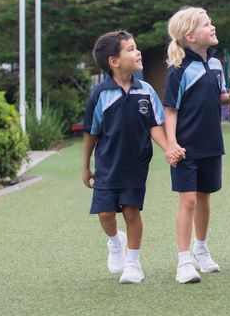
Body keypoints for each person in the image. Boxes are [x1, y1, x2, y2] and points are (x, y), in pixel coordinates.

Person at [82, 30, 184, 284]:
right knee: (106, 214)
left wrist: (168, 148)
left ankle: (133, 263)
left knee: (131, 211)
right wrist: (85, 167)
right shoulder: (100, 95)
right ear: (114, 62)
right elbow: (91, 133)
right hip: (106, 166)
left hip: (136, 166)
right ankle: (116, 241)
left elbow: (154, 125)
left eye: (136, 48)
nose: (138, 52)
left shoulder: (146, 91)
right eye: (130, 49)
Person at [163, 7, 230, 284]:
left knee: (204, 198)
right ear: (190, 36)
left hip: (212, 145)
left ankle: (201, 249)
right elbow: (171, 110)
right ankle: (184, 261)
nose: (212, 27)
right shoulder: (178, 71)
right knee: (188, 200)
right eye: (206, 24)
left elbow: (221, 97)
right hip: (186, 149)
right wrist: (171, 144)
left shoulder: (215, 64)